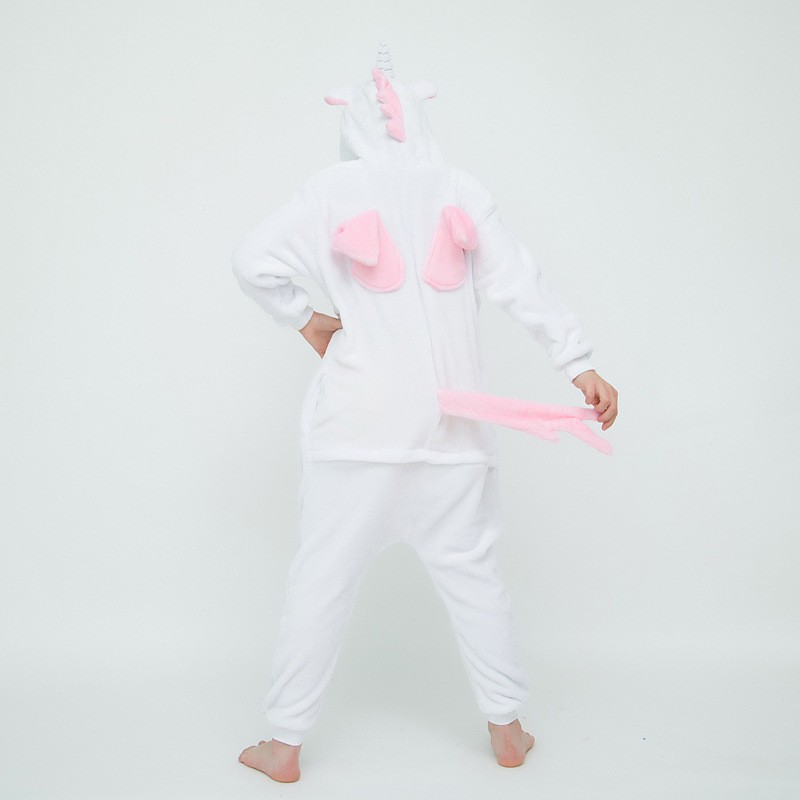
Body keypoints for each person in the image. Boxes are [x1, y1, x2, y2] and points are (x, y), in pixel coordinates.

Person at [232, 49, 618, 784]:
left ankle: (284, 744)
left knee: (320, 583)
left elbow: (253, 259)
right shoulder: (460, 189)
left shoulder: (330, 192)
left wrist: (306, 318)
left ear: (350, 123)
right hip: (453, 435)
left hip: (356, 433)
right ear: (422, 117)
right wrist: (579, 363)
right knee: (477, 582)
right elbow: (522, 282)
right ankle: (507, 729)